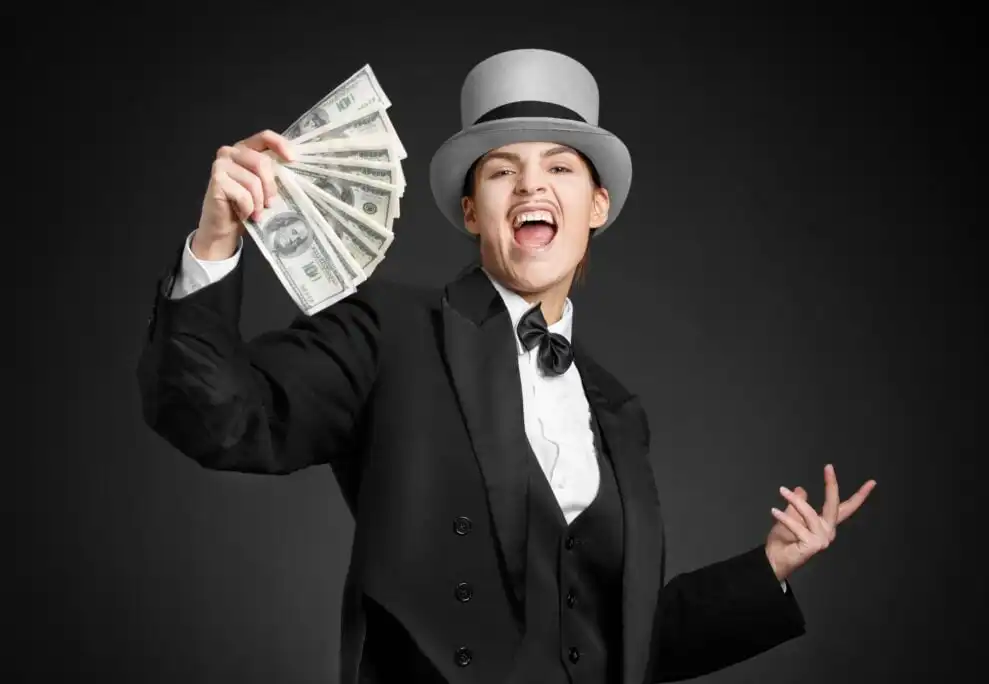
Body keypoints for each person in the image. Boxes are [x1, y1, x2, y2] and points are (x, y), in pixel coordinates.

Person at [137, 48, 876, 684]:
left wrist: (768, 568)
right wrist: (214, 241)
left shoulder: (618, 412)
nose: (531, 186)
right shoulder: (389, 331)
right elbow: (218, 419)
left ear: (596, 205)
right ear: (470, 211)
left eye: (560, 166)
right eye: (502, 171)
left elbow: (622, 645)